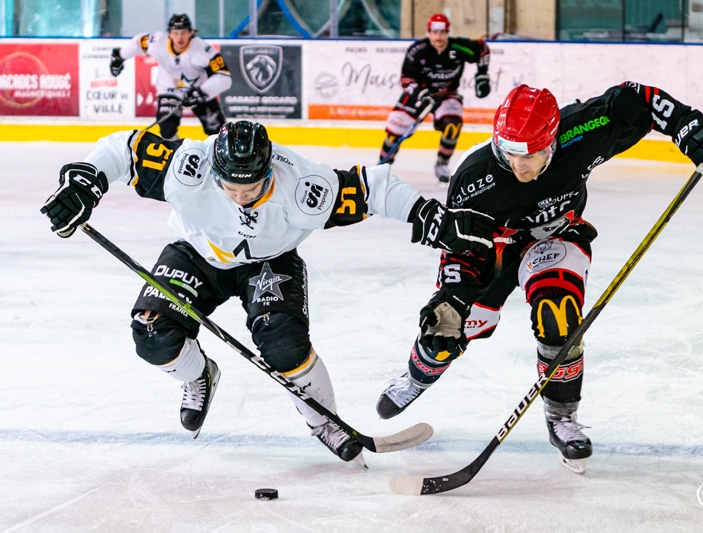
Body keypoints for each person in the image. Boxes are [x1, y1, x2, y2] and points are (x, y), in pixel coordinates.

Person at [40, 121, 495, 463]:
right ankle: (200, 376)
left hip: (268, 263)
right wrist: (85, 182)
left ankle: (325, 423)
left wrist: (431, 217)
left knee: (284, 344)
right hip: (195, 255)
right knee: (152, 336)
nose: (239, 195)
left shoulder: (303, 187)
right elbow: (124, 148)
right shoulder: (188, 169)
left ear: (268, 169)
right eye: (230, 185)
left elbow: (373, 188)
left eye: (251, 186)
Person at [375, 81, 703, 473]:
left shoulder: (581, 132)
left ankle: (562, 417)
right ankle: (417, 376)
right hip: (493, 250)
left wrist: (689, 125)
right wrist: (454, 297)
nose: (519, 165)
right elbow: (464, 250)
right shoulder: (473, 179)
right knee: (446, 328)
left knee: (558, 313)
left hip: (558, 235)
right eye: (510, 152)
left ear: (553, 141)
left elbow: (637, 100)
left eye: (532, 155)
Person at [379, 13, 491, 183]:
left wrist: (482, 75)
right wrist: (423, 95)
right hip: (418, 94)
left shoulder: (458, 47)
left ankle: (442, 164)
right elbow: (407, 79)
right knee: (394, 134)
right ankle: (381, 169)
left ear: (447, 32)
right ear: (429, 32)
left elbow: (482, 49)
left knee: (453, 124)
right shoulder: (417, 51)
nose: (439, 37)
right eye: (435, 33)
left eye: (443, 32)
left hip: (446, 95)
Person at [109, 13, 232, 141]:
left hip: (198, 91)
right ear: (169, 34)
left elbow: (224, 77)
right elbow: (138, 43)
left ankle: (221, 158)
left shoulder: (204, 50)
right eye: (175, 33)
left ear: (191, 33)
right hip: (169, 89)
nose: (179, 37)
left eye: (183, 32)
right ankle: (175, 156)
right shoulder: (157, 43)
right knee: (167, 130)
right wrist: (119, 57)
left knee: (218, 132)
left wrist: (201, 92)